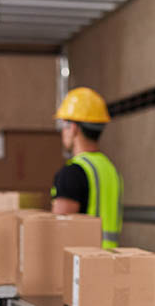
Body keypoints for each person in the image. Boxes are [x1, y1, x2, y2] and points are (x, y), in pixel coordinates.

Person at [51, 87, 123, 249]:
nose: (63, 130)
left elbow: (59, 231)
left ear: (74, 127)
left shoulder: (72, 173)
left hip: (81, 267)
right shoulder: (111, 169)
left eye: (64, 123)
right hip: (110, 264)